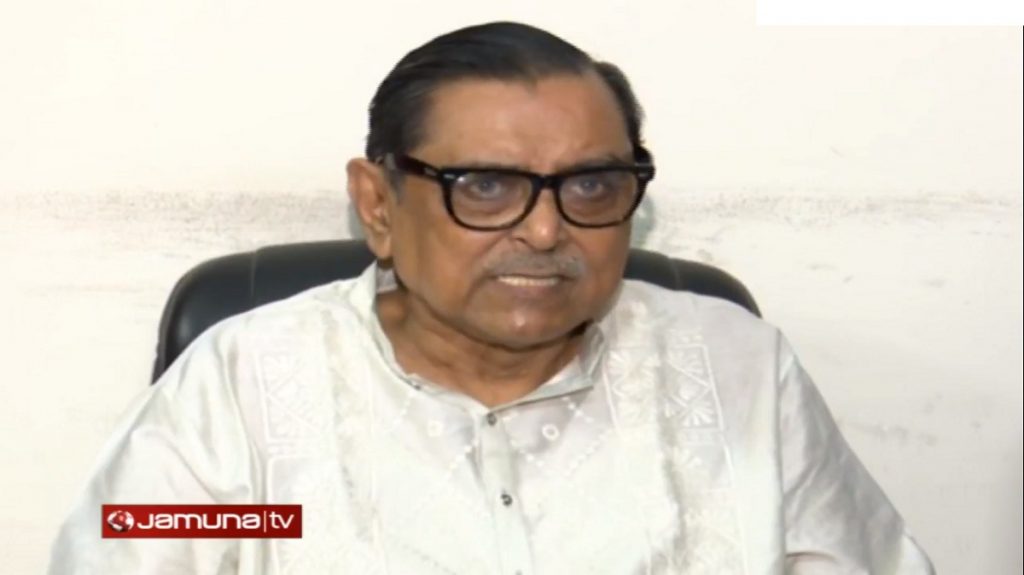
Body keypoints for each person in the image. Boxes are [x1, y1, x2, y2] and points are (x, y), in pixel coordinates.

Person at [49, 21, 934, 574]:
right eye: (484, 186)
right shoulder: (242, 391)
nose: (546, 231)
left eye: (590, 185)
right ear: (378, 204)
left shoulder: (737, 371)